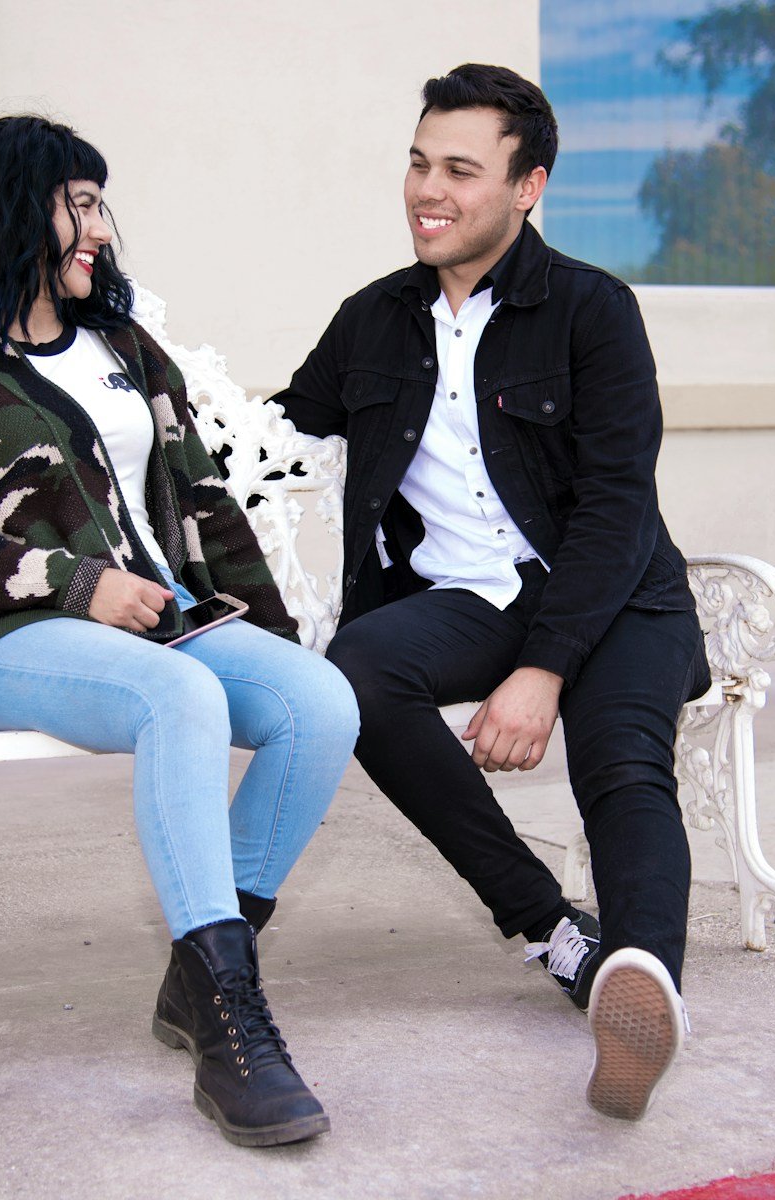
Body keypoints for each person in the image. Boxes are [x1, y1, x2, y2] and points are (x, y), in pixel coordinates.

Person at [0, 115, 358, 1147]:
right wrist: (76, 582)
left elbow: (205, 500)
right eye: (78, 202)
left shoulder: (124, 349)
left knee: (319, 703)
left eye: (99, 203)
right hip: (7, 641)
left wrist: (266, 635)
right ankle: (231, 1023)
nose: (99, 227)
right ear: (13, 210)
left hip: (163, 623)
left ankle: (200, 974)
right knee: (179, 695)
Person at [269, 64, 711, 1121]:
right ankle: (553, 932)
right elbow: (274, 438)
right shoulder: (372, 320)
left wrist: (542, 672)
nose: (429, 189)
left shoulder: (594, 312)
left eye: (461, 169)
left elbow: (615, 507)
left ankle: (637, 983)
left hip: (617, 594)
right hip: (472, 597)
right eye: (420, 163)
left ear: (529, 186)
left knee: (620, 764)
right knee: (358, 675)